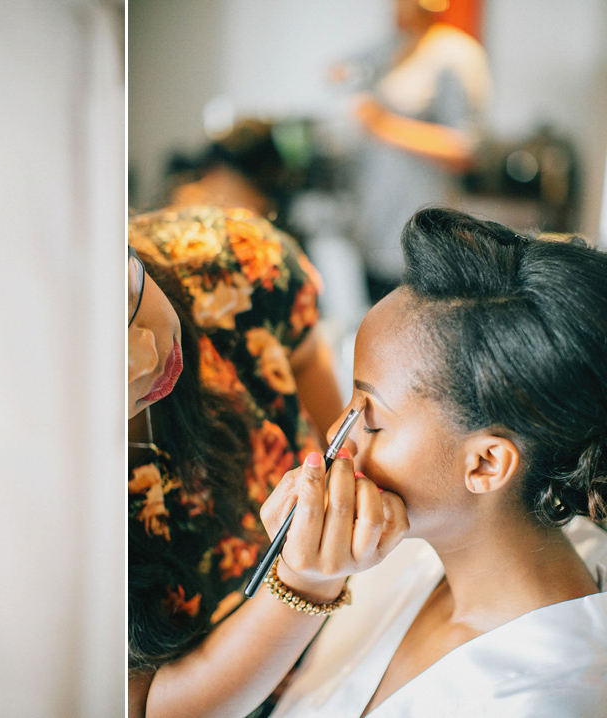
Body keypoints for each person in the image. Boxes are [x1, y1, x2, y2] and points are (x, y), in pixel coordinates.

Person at [268, 207, 607, 715]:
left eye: (373, 420)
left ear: (487, 464)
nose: (342, 438)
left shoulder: (545, 700)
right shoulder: (400, 548)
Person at [128, 205, 379, 718]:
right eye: (79, 364)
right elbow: (145, 709)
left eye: (123, 298)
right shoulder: (5, 517)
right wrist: (303, 584)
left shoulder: (232, 264)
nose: (145, 355)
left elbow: (306, 357)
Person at [335, 0, 491, 302]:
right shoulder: (390, 46)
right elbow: (340, 70)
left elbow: (464, 150)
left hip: (419, 224)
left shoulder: (455, 54)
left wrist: (384, 125)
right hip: (373, 220)